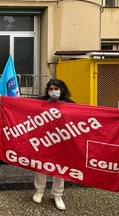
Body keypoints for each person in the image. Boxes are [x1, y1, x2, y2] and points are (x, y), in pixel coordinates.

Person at [32, 78, 75, 211]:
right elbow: (21, 105)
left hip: (62, 140)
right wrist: (4, 100)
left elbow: (89, 113)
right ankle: (39, 190)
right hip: (43, 139)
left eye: (56, 89)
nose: (53, 91)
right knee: (41, 165)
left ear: (61, 90)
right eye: (51, 89)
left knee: (60, 168)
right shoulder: (42, 101)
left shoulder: (69, 103)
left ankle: (57, 194)